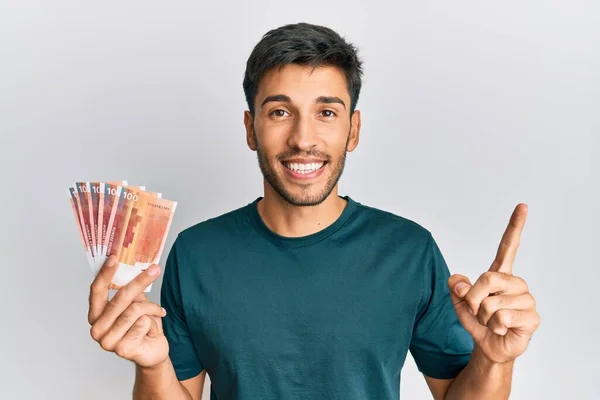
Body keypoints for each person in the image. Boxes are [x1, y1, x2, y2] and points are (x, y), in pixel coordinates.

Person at [87, 22, 540, 400]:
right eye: (280, 111)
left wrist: (494, 359)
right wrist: (151, 367)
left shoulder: (409, 250)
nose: (304, 138)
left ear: (353, 129)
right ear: (251, 128)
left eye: (326, 112)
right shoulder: (196, 253)